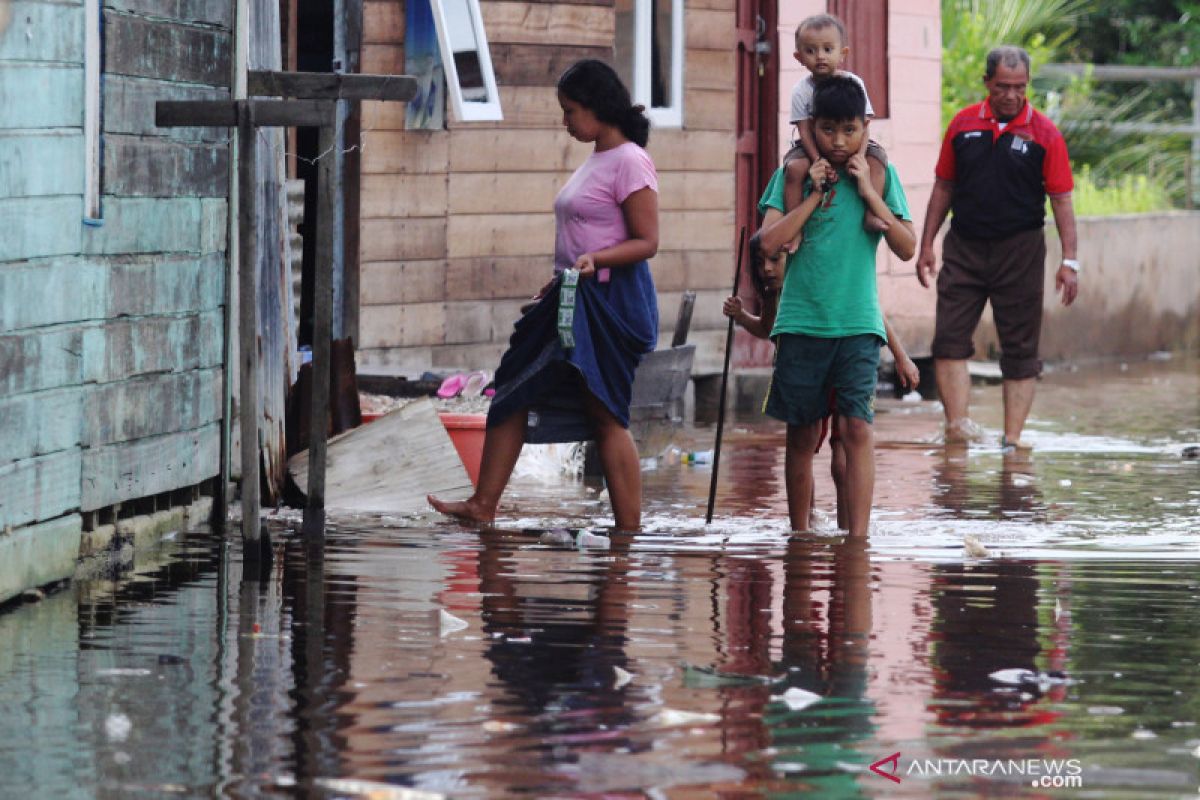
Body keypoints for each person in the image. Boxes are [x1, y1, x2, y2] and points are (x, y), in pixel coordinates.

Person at [428, 60, 659, 531]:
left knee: (605, 411)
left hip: (608, 303)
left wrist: (597, 259)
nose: (566, 121)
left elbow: (647, 241)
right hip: (573, 296)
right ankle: (483, 504)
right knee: (513, 386)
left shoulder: (631, 159)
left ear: (597, 107)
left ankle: (627, 535)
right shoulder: (599, 159)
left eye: (571, 111)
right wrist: (560, 283)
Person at [754, 75, 915, 537]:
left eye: (850, 130)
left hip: (859, 324)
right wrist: (814, 198)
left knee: (859, 430)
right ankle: (800, 534)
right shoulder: (794, 175)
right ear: (812, 128)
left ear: (866, 127)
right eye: (828, 130)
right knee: (802, 434)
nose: (839, 141)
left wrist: (868, 195)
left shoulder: (881, 175)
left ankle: (858, 541)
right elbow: (769, 242)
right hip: (801, 323)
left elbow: (907, 247)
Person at [916, 45, 1080, 450]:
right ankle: (957, 428)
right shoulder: (963, 126)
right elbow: (944, 186)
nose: (1011, 95)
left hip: (1020, 250)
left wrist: (1069, 261)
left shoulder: (1044, 134)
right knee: (949, 340)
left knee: (1021, 347)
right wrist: (927, 245)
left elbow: (1061, 199)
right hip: (964, 247)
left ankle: (1013, 439)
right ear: (987, 82)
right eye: (1003, 86)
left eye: (1019, 87)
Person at [723, 251, 920, 530]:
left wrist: (901, 356)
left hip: (840, 365)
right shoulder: (772, 293)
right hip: (803, 372)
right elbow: (768, 327)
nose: (767, 269)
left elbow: (872, 314)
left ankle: (848, 530)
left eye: (775, 261)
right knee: (804, 445)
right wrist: (742, 317)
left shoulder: (825, 282)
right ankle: (807, 522)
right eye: (760, 263)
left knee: (843, 457)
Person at [783, 13, 889, 251]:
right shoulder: (801, 91)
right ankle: (794, 228)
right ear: (799, 58)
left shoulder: (855, 84)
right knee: (793, 169)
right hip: (812, 144)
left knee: (878, 161)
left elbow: (864, 124)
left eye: (828, 49)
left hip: (854, 141)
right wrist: (817, 160)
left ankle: (872, 211)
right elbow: (804, 130)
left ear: (843, 54)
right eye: (810, 51)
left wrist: (860, 155)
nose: (820, 56)